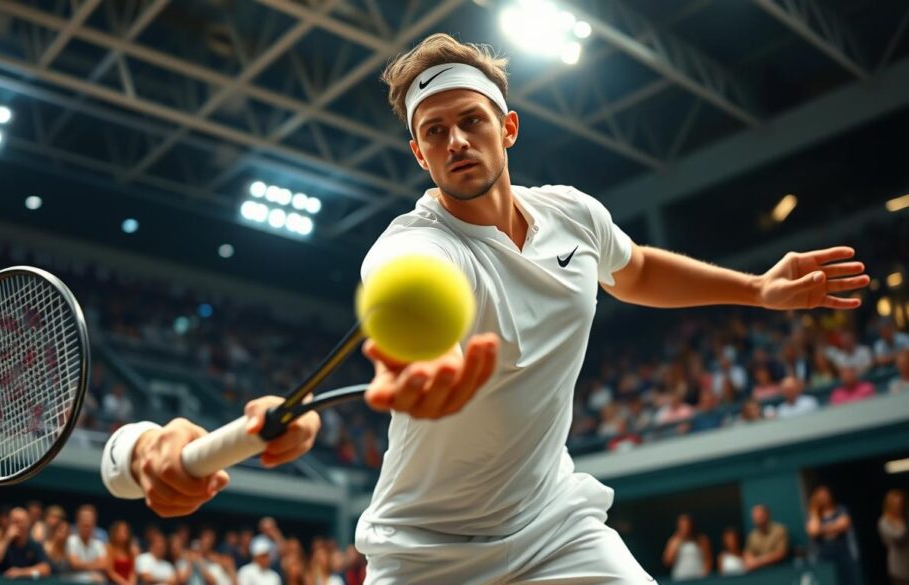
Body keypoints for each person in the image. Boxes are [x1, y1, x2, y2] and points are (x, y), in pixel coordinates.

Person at [109, 33, 870, 583]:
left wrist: (756, 288)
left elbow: (634, 270)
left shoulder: (573, 215)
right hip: (423, 554)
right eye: (433, 132)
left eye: (471, 119)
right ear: (419, 154)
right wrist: (418, 365)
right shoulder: (414, 247)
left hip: (554, 525)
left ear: (506, 126)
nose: (456, 140)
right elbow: (404, 300)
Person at [806, 486, 859, 585]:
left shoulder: (841, 509)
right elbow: (814, 531)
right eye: (820, 496)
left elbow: (844, 525)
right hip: (824, 556)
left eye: (825, 495)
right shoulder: (814, 515)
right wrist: (815, 511)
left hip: (844, 555)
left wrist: (822, 529)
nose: (824, 498)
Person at [0, 507, 52, 579]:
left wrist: (21, 572)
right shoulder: (1, 541)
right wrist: (7, 539)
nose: (17, 526)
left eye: (20, 522)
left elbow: (45, 569)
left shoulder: (34, 545)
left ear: (28, 524)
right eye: (14, 522)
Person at [663, 514, 712, 580]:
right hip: (680, 579)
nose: (685, 527)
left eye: (687, 525)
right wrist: (676, 544)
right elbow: (667, 561)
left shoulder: (702, 540)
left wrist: (705, 576)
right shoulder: (673, 540)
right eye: (682, 525)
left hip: (699, 579)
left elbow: (708, 560)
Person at [67, 505, 107, 583]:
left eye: (89, 525)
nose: (87, 527)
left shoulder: (98, 544)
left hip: (96, 580)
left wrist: (81, 565)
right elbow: (74, 564)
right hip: (74, 581)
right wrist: (95, 564)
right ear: (78, 523)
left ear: (94, 524)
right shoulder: (71, 541)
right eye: (84, 524)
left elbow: (103, 564)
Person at [743, 504, 788, 571]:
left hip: (779, 570)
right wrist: (749, 561)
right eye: (755, 517)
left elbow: (780, 553)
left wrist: (758, 561)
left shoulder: (779, 530)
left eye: (760, 516)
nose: (757, 519)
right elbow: (747, 555)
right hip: (759, 573)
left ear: (767, 515)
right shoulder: (752, 536)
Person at [879, 489, 909, 585]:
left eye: (900, 503)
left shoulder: (904, 518)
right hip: (899, 568)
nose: (898, 506)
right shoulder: (884, 521)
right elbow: (897, 539)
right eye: (895, 503)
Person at [105, 520, 137, 585]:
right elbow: (110, 572)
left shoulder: (133, 550)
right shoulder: (109, 548)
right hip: (113, 582)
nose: (122, 534)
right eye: (119, 531)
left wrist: (131, 583)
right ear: (114, 533)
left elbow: (133, 572)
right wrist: (124, 583)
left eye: (125, 531)